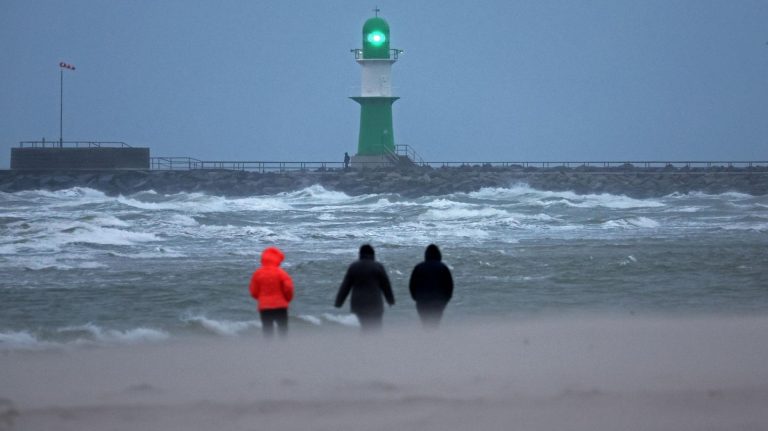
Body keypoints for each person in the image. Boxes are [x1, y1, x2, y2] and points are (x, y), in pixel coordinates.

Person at [334, 244, 395, 332]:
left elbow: (345, 287)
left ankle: (363, 344)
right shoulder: (378, 266)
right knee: (376, 329)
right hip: (375, 304)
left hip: (358, 305)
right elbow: (386, 286)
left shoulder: (354, 267)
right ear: (373, 254)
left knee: (362, 329)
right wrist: (390, 300)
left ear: (360, 254)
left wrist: (338, 303)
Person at [248, 246, 294, 338]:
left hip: (265, 306)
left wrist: (262, 298)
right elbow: (288, 288)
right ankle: (284, 349)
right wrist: (287, 299)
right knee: (283, 330)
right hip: (280, 306)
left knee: (267, 330)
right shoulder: (281, 273)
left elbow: (253, 291)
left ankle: (269, 350)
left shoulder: (258, 273)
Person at [409, 244, 453, 328]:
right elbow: (449, 286)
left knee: (425, 324)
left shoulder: (419, 267)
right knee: (435, 324)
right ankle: (434, 339)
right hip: (438, 302)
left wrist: (416, 298)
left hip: (422, 301)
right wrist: (446, 300)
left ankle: (426, 339)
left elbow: (412, 285)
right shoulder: (443, 267)